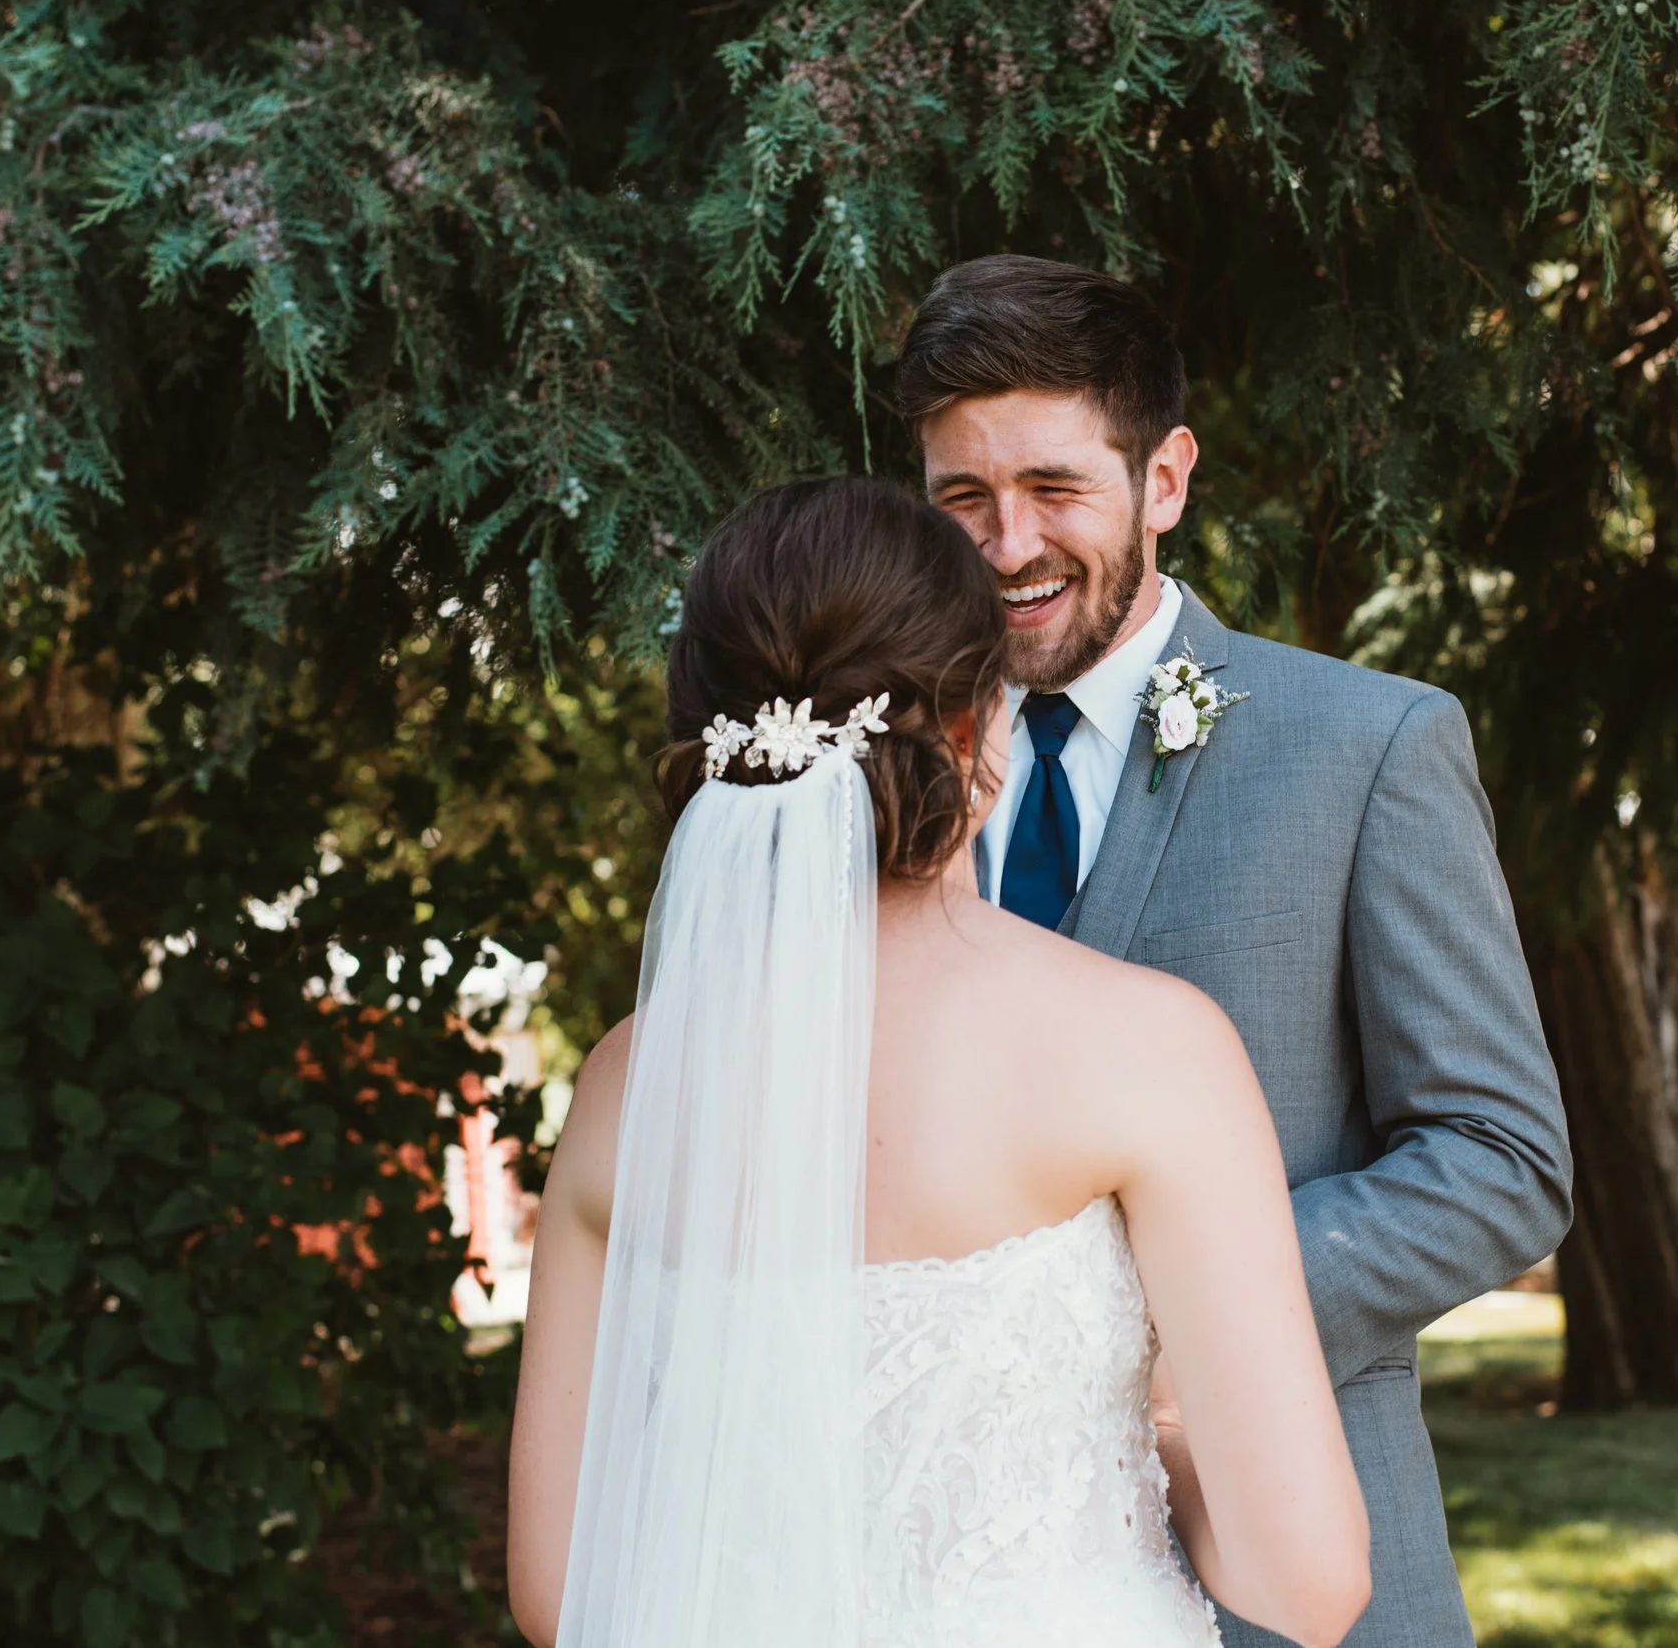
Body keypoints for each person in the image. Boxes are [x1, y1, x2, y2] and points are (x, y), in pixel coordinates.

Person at [508, 477, 1371, 1648]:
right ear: (976, 729)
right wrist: (1154, 1421)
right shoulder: (1143, 1045)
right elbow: (1306, 1587)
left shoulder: (628, 1084)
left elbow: (558, 1596)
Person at [900, 253, 1573, 1646]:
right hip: (965, 1563)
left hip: (1302, 1565)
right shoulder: (884, 778)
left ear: (1165, 478)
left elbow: (1502, 1162)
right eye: (962, 497)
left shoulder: (1367, 747)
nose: (1005, 544)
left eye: (1054, 490)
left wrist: (1174, 1314)